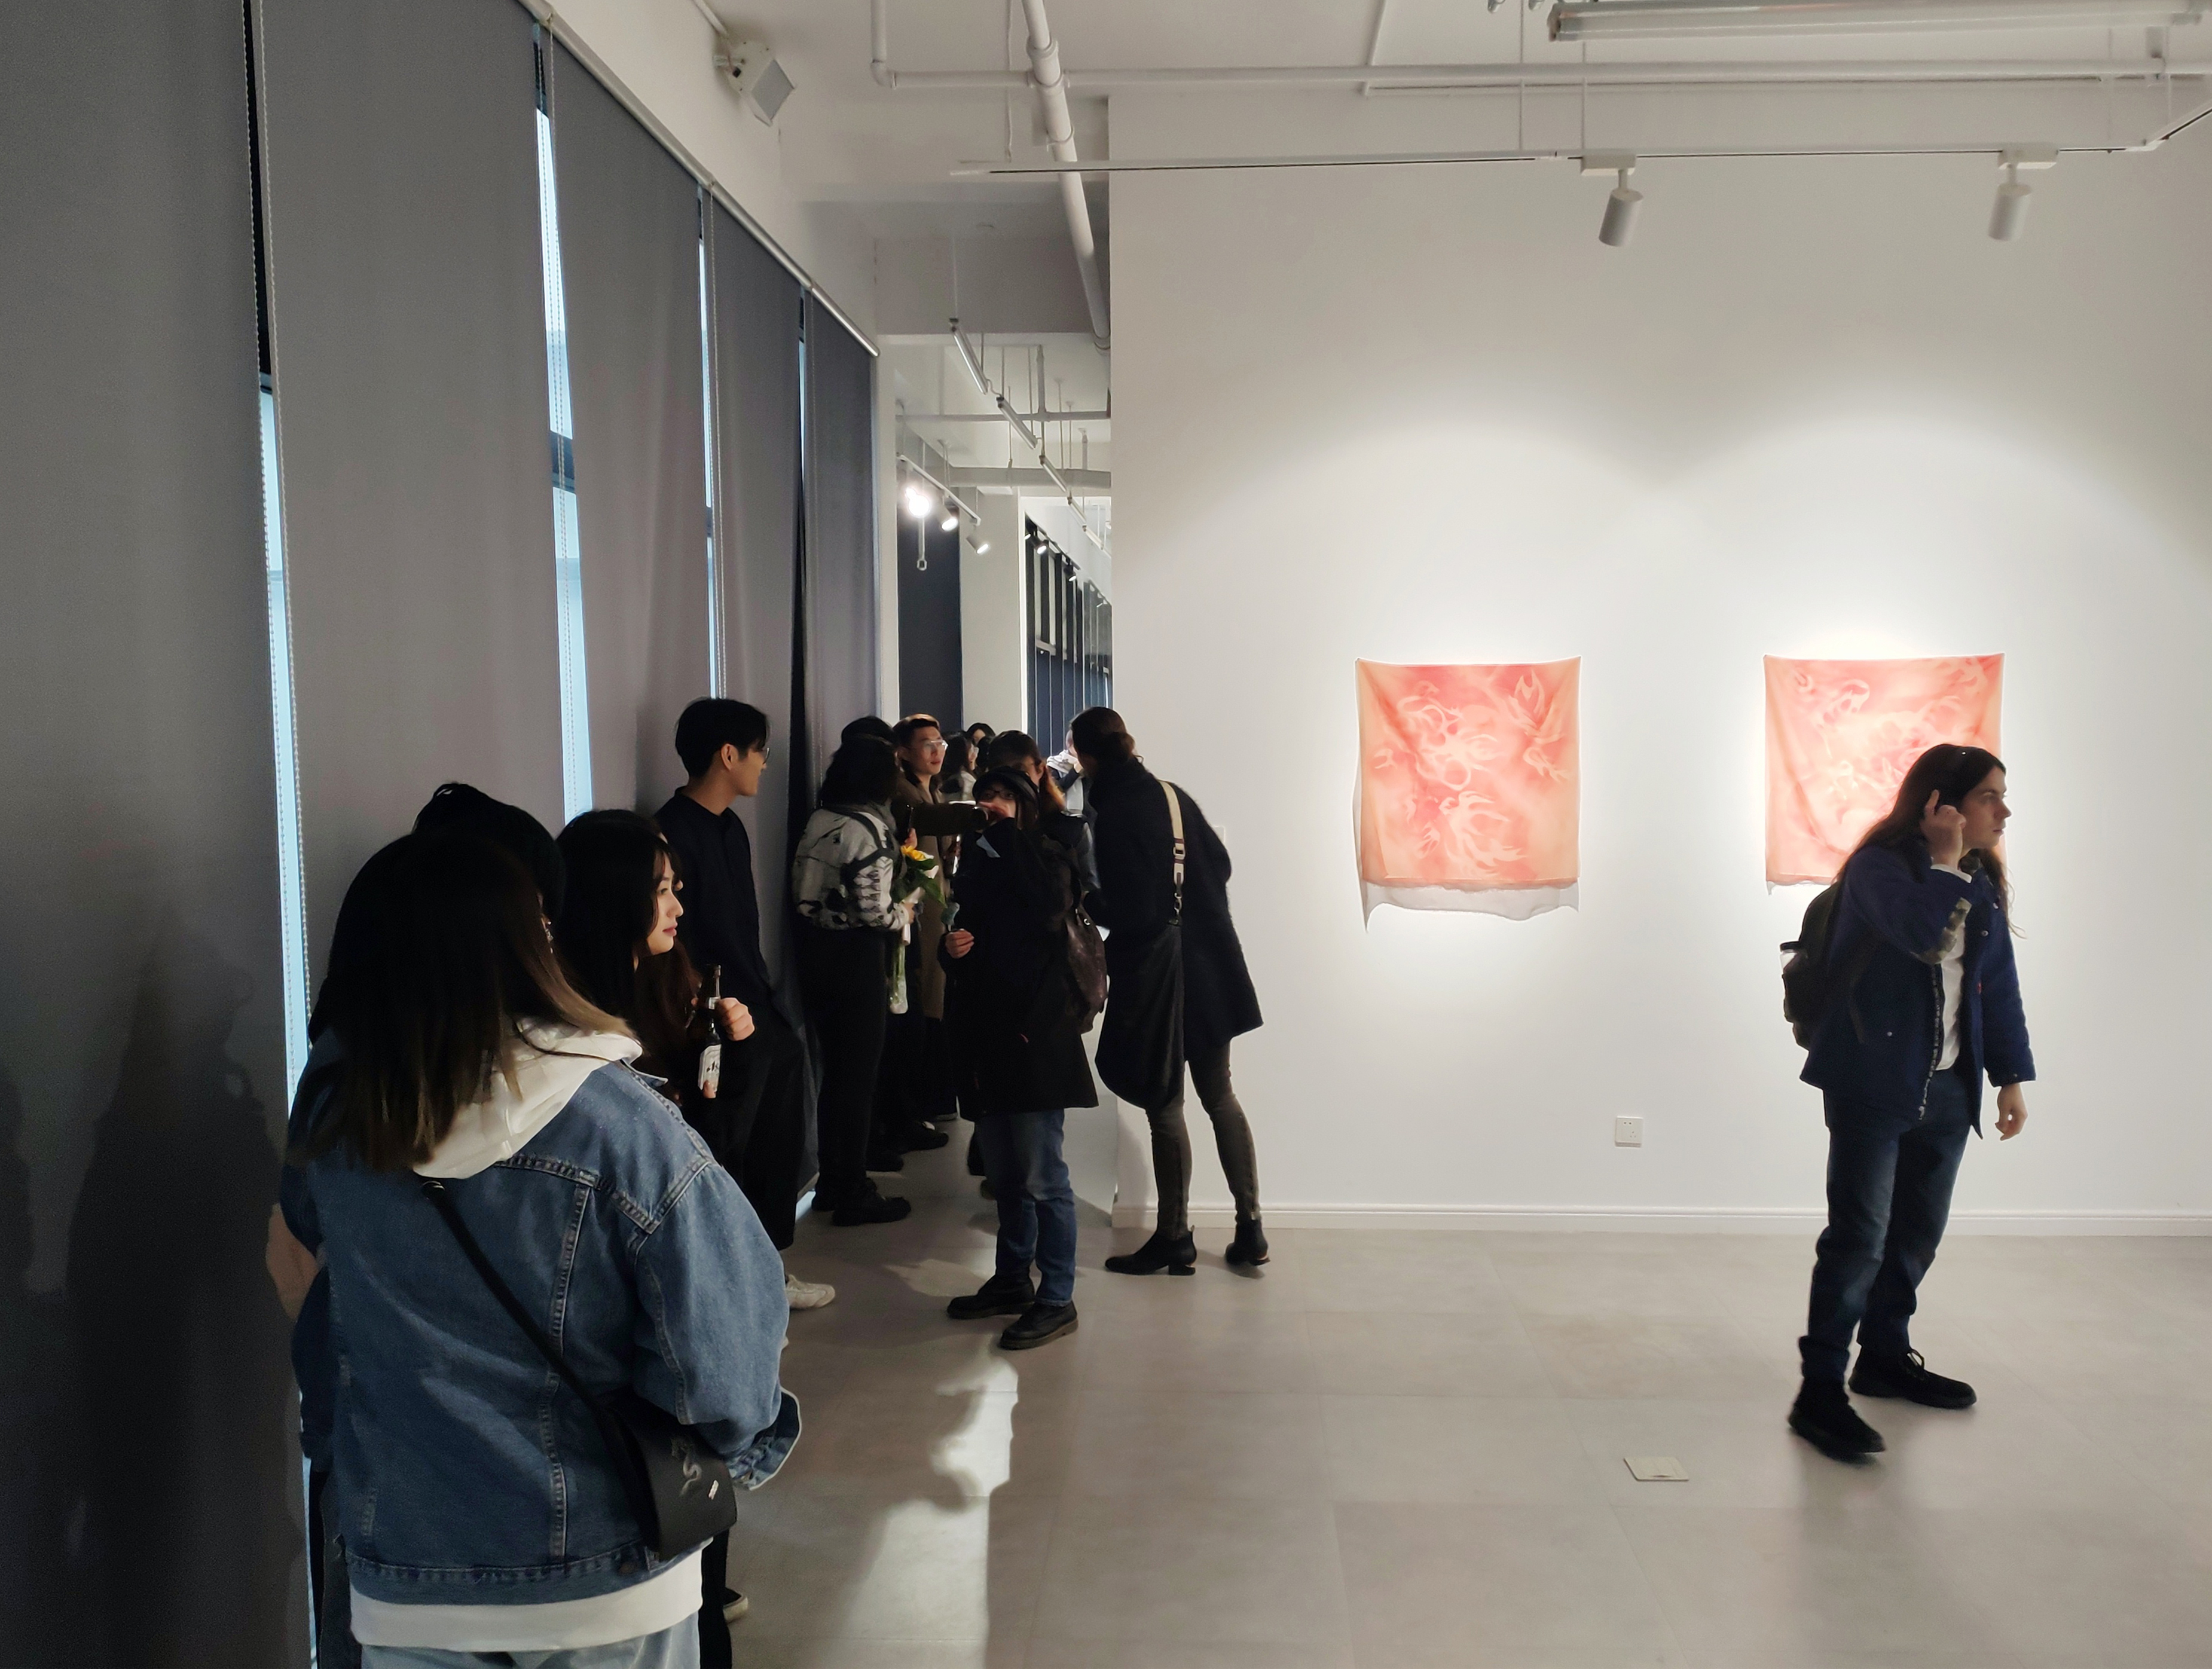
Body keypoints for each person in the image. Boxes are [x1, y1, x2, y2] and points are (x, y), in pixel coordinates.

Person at [280, 830, 798, 1669]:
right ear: (528, 948)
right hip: (608, 1569)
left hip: (407, 1572)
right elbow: (728, 1366)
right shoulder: (620, 1124)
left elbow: (314, 1305)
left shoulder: (337, 1127)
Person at [1788, 743, 2034, 1462]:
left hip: (1949, 1086)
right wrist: (1946, 862)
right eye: (1989, 795)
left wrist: (2009, 1075)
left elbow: (1996, 984)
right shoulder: (1879, 869)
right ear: (1940, 803)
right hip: (1872, 1080)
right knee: (1857, 1238)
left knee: (1916, 1234)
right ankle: (1819, 1390)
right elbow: (1923, 937)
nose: (2004, 810)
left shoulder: (1978, 880)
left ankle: (1884, 1355)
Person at [1073, 707, 1269, 1274]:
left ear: (1085, 756)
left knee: (1165, 1104)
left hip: (1159, 977)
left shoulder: (1113, 813)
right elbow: (1221, 864)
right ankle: (1251, 1227)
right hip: (1212, 967)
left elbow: (1132, 911)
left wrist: (1087, 900)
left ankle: (1175, 1235)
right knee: (1220, 1097)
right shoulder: (1171, 795)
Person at [653, 699, 825, 1308]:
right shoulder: (671, 831)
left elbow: (741, 931)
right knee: (729, 1155)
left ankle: (768, 1273)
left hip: (757, 1008)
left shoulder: (731, 826)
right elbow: (683, 945)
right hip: (714, 1023)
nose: (764, 764)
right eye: (759, 753)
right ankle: (740, 1289)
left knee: (774, 1145)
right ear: (729, 755)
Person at [939, 768, 1095, 1350]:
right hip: (986, 1038)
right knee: (1004, 1174)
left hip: (1036, 1039)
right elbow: (965, 934)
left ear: (1027, 805)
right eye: (985, 797)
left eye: (1005, 797)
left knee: (1043, 1176)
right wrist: (950, 948)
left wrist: (1007, 836)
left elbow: (1050, 913)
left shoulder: (1048, 856)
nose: (992, 805)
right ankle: (1011, 1278)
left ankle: (1057, 1297)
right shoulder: (976, 863)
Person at [792, 739, 912, 1225]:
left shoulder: (820, 819)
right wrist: (906, 913)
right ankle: (853, 1189)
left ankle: (831, 1181)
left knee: (835, 1075)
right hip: (856, 957)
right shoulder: (870, 827)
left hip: (814, 954)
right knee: (858, 1078)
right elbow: (873, 910)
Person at [876, 714, 962, 1157]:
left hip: (934, 907)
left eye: (940, 742)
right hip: (914, 913)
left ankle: (932, 1101)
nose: (936, 750)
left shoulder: (934, 790)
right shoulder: (904, 794)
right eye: (927, 743)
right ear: (903, 752)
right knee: (925, 998)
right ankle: (920, 1104)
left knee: (936, 996)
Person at [983, 729, 1098, 891]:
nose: (1013, 781)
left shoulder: (1072, 830)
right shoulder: (982, 828)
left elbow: (1091, 890)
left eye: (1021, 772)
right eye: (1003, 773)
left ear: (1040, 769)